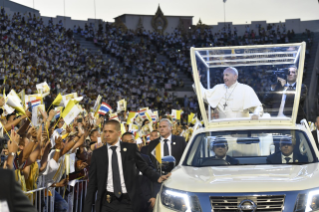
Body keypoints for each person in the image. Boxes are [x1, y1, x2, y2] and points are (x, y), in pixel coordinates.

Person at [84, 120, 171, 212]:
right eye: (106, 132)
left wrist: (158, 178)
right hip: (107, 202)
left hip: (128, 202)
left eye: (111, 132)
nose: (108, 135)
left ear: (118, 133)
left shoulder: (136, 153)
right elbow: (92, 185)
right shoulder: (99, 154)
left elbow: (146, 169)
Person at [194, 67, 263, 120]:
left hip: (241, 130)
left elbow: (258, 107)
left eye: (227, 75)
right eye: (224, 75)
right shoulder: (218, 88)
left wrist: (256, 114)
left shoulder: (246, 89)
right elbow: (203, 95)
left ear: (235, 77)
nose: (224, 77)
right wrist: (197, 81)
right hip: (223, 130)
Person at [122, 132, 157, 212]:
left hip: (145, 202)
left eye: (132, 141)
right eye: (127, 142)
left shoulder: (146, 159)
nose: (130, 144)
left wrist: (154, 196)